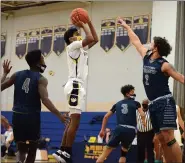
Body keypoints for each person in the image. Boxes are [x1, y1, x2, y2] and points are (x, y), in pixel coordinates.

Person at [117, 17, 184, 163]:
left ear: (156, 47)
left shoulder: (164, 65)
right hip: (153, 104)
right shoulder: (146, 57)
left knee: (169, 137)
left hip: (164, 102)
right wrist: (126, 27)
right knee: (160, 138)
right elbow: (135, 41)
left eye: (153, 41)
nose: (150, 43)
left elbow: (181, 78)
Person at [1, 49, 68, 163]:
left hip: (17, 116)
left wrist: (5, 74)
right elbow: (45, 100)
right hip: (32, 117)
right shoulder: (41, 79)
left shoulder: (17, 75)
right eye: (42, 57)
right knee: (32, 150)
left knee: (21, 150)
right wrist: (59, 115)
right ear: (38, 62)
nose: (43, 59)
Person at [53, 15, 98, 163]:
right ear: (70, 39)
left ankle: (62, 150)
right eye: (75, 34)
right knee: (75, 121)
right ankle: (66, 151)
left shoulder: (80, 48)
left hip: (74, 86)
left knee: (73, 121)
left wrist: (89, 22)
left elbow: (95, 39)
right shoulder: (72, 46)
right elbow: (90, 37)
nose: (79, 35)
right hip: (75, 85)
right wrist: (84, 24)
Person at [96, 85, 145, 163]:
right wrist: (144, 123)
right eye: (132, 92)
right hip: (131, 131)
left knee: (104, 154)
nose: (134, 94)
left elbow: (105, 117)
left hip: (120, 129)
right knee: (123, 154)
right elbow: (142, 114)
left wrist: (102, 130)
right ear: (127, 94)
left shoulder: (117, 104)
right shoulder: (136, 103)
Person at [137, 99, 155, 163]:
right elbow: (136, 121)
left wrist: (155, 135)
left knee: (150, 149)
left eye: (145, 103)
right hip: (140, 133)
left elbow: (155, 123)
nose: (144, 105)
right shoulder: (138, 111)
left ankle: (151, 161)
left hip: (149, 133)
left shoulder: (151, 112)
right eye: (143, 103)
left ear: (148, 104)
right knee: (140, 149)